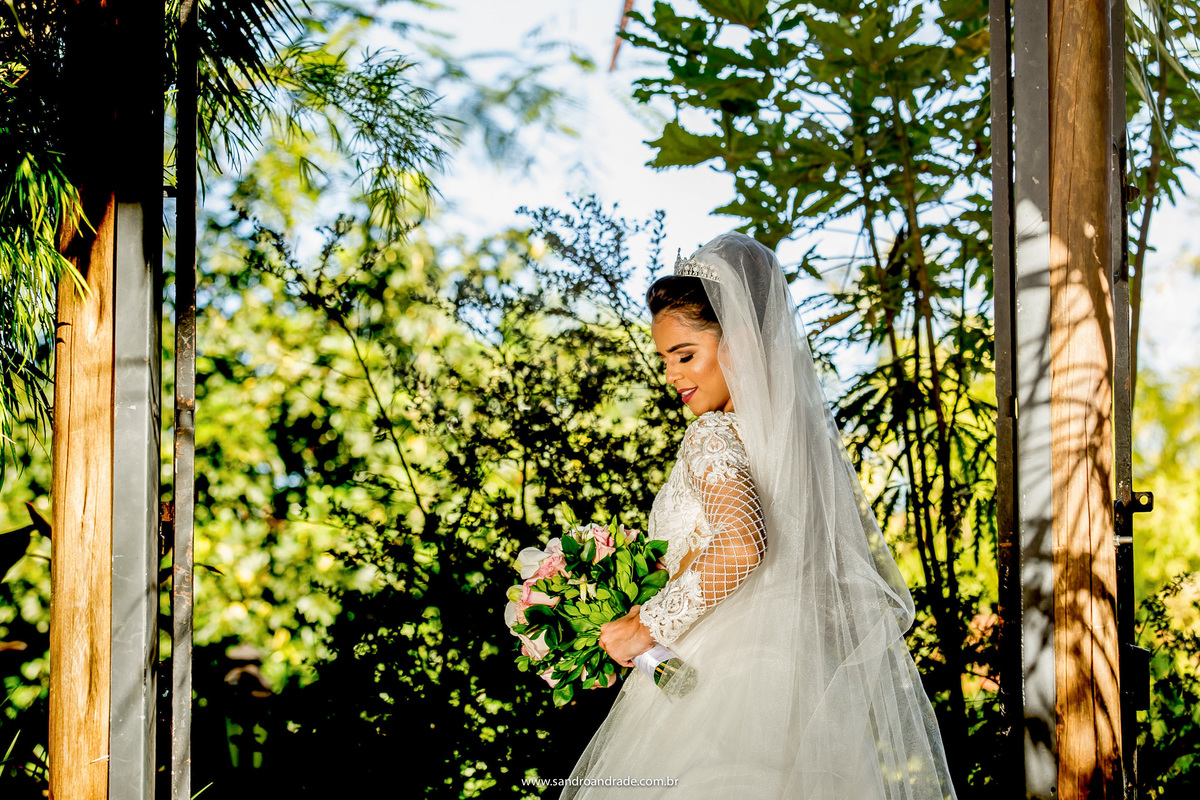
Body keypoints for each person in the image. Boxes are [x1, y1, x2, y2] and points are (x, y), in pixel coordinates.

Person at [561, 232, 957, 799]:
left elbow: (743, 544)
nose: (671, 375)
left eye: (685, 355)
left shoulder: (712, 434)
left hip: (723, 676)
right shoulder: (798, 447)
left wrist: (648, 625)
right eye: (666, 360)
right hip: (798, 680)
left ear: (740, 342)